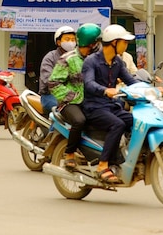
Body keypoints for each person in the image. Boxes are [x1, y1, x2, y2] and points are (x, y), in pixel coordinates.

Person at [81, 24, 138, 185]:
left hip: (111, 106)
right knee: (117, 125)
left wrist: (151, 90)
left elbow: (131, 81)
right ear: (114, 42)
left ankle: (124, 158)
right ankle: (102, 165)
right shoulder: (91, 61)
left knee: (135, 121)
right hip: (93, 107)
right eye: (124, 42)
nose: (126, 45)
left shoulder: (118, 62)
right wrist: (105, 90)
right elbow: (89, 83)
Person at [49, 23, 102, 170]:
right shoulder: (68, 59)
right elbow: (54, 83)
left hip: (92, 101)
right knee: (79, 121)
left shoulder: (97, 58)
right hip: (70, 103)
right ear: (90, 43)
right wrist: (74, 95)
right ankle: (70, 154)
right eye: (96, 42)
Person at [39, 26, 76, 115]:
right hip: (50, 95)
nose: (71, 42)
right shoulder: (50, 57)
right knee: (60, 111)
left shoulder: (77, 57)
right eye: (67, 39)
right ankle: (53, 129)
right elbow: (47, 79)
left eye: (73, 39)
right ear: (59, 42)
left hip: (73, 95)